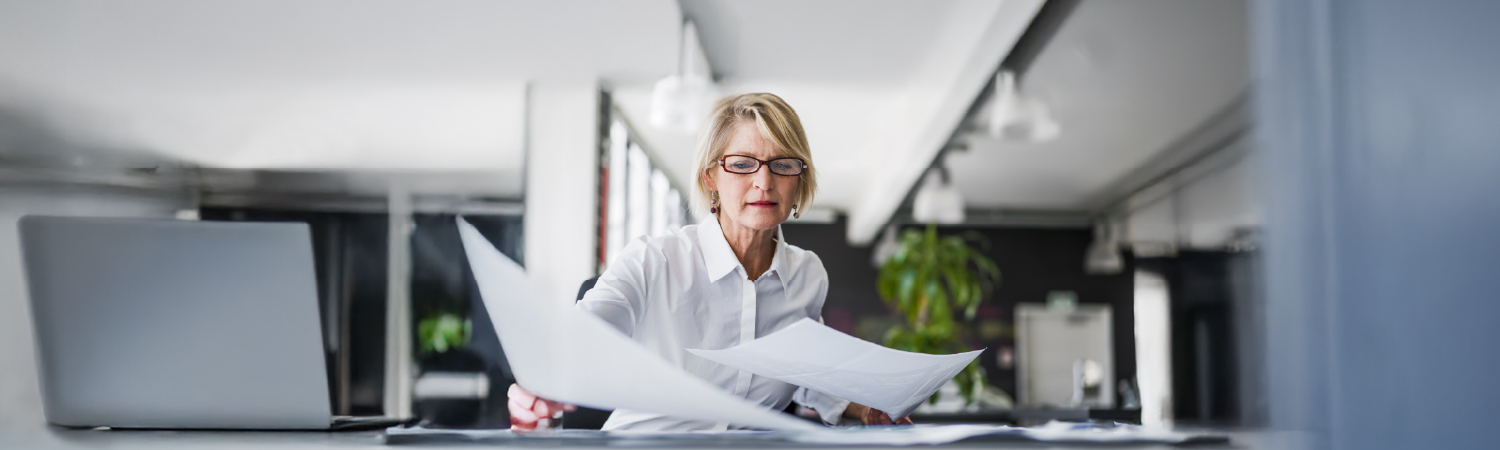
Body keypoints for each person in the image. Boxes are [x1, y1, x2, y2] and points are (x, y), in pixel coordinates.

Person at [507, 93, 913, 432]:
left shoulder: (807, 276)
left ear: (798, 181)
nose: (764, 182)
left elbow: (805, 369)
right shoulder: (655, 261)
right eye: (741, 164)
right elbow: (578, 340)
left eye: (783, 165)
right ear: (710, 179)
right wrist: (537, 386)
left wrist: (863, 407)